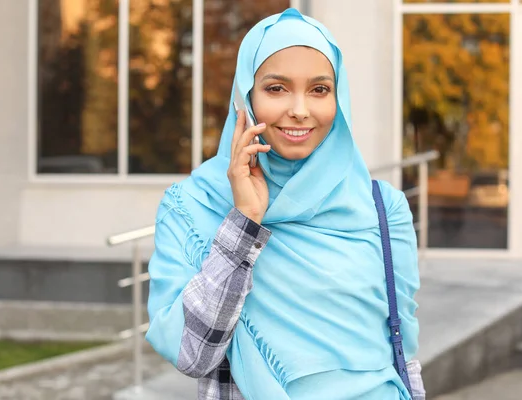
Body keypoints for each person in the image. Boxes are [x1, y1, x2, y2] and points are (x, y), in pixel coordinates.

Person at [146, 8, 426, 400]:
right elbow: (191, 354)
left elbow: (405, 352)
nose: (300, 109)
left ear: (338, 98)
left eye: (319, 89)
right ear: (246, 95)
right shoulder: (192, 207)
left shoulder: (383, 208)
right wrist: (244, 222)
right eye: (276, 88)